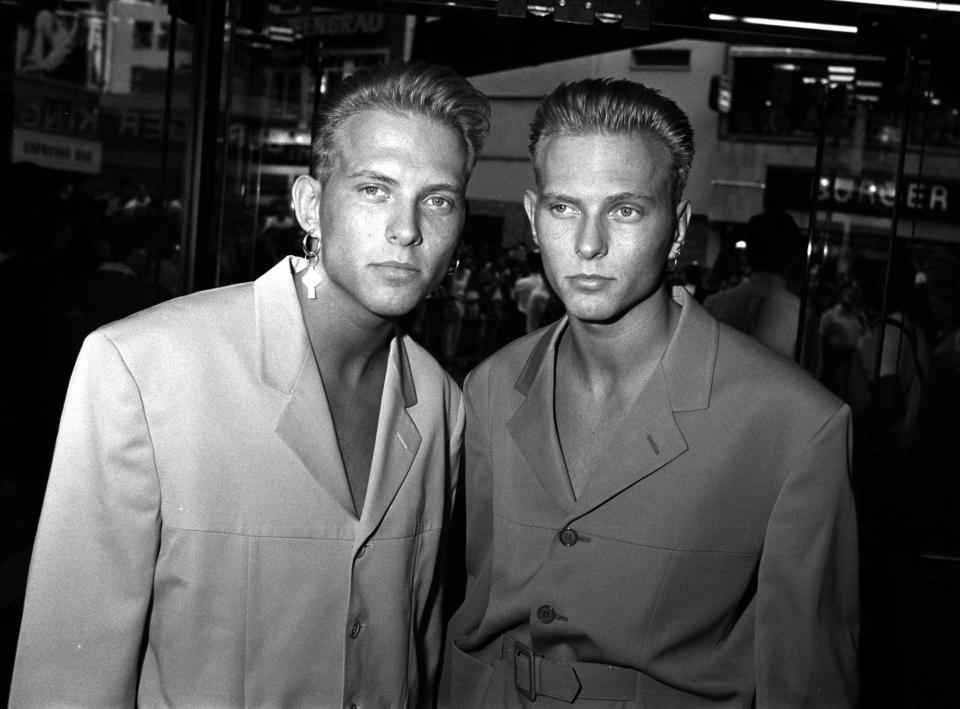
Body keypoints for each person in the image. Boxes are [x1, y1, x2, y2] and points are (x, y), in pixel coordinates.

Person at [11, 61, 490, 708]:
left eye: (437, 199)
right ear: (310, 205)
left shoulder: (439, 402)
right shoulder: (144, 366)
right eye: (375, 189)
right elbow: (66, 675)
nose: (408, 229)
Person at [441, 78, 858, 707]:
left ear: (679, 226)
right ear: (532, 217)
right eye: (563, 208)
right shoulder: (490, 387)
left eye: (625, 210)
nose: (588, 244)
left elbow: (807, 680)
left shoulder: (794, 424)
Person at [704, 209, 820, 375]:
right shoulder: (804, 317)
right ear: (792, 258)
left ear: (748, 252)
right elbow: (811, 381)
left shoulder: (713, 304)